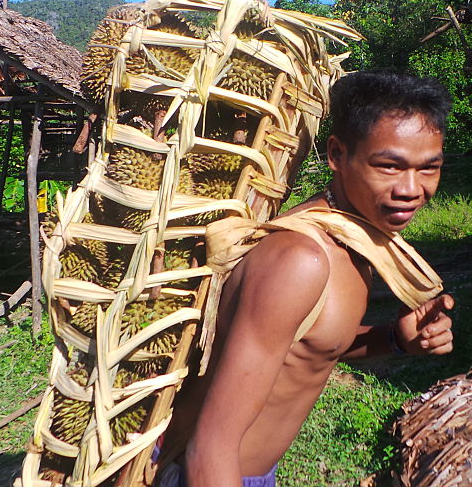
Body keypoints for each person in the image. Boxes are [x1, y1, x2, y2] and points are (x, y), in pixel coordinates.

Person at [161, 70, 456, 487]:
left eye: (429, 169)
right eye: (389, 166)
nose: (411, 188)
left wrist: (393, 338)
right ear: (337, 154)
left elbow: (304, 345)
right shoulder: (301, 259)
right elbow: (209, 446)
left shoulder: (353, 238)